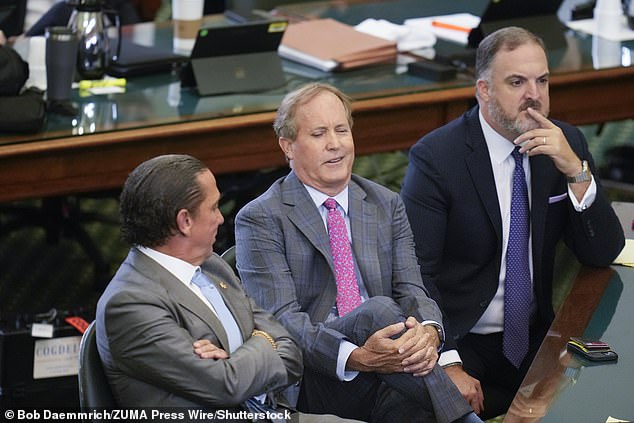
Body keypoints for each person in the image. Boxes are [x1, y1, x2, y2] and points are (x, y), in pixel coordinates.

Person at [400, 26, 625, 420]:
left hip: (539, 337)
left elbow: (603, 250)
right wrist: (448, 361)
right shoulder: (437, 159)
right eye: (517, 82)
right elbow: (414, 275)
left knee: (608, 400)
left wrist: (575, 169)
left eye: (542, 81)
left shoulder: (563, 143)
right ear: (484, 90)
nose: (533, 95)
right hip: (463, 336)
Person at [235, 83, 482, 423]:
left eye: (341, 130)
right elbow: (283, 324)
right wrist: (359, 357)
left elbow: (413, 289)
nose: (335, 144)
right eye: (319, 134)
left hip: (395, 366)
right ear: (288, 146)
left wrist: (429, 333)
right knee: (378, 311)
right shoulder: (261, 217)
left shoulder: (386, 204)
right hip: (315, 377)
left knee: (414, 406)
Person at [96, 154, 358, 422]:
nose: (221, 218)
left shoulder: (212, 265)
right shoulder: (131, 303)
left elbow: (290, 350)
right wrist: (262, 342)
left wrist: (240, 356)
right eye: (214, 207)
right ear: (184, 221)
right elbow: (227, 385)